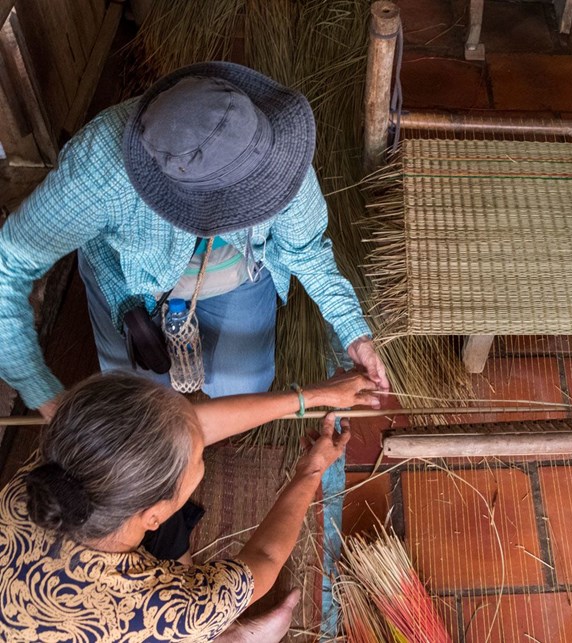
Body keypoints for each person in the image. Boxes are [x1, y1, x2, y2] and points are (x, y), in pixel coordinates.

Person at [0, 61, 388, 420]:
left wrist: (353, 331)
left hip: (235, 270)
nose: (269, 191)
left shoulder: (270, 146)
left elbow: (305, 249)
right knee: (134, 406)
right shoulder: (99, 170)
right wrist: (47, 397)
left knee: (243, 388)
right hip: (129, 273)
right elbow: (7, 268)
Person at [0, 370, 378, 641]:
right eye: (199, 457)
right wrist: (311, 470)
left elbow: (178, 430)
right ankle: (232, 637)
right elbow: (264, 557)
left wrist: (310, 397)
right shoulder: (171, 611)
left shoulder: (42, 482)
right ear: (153, 515)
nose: (202, 453)